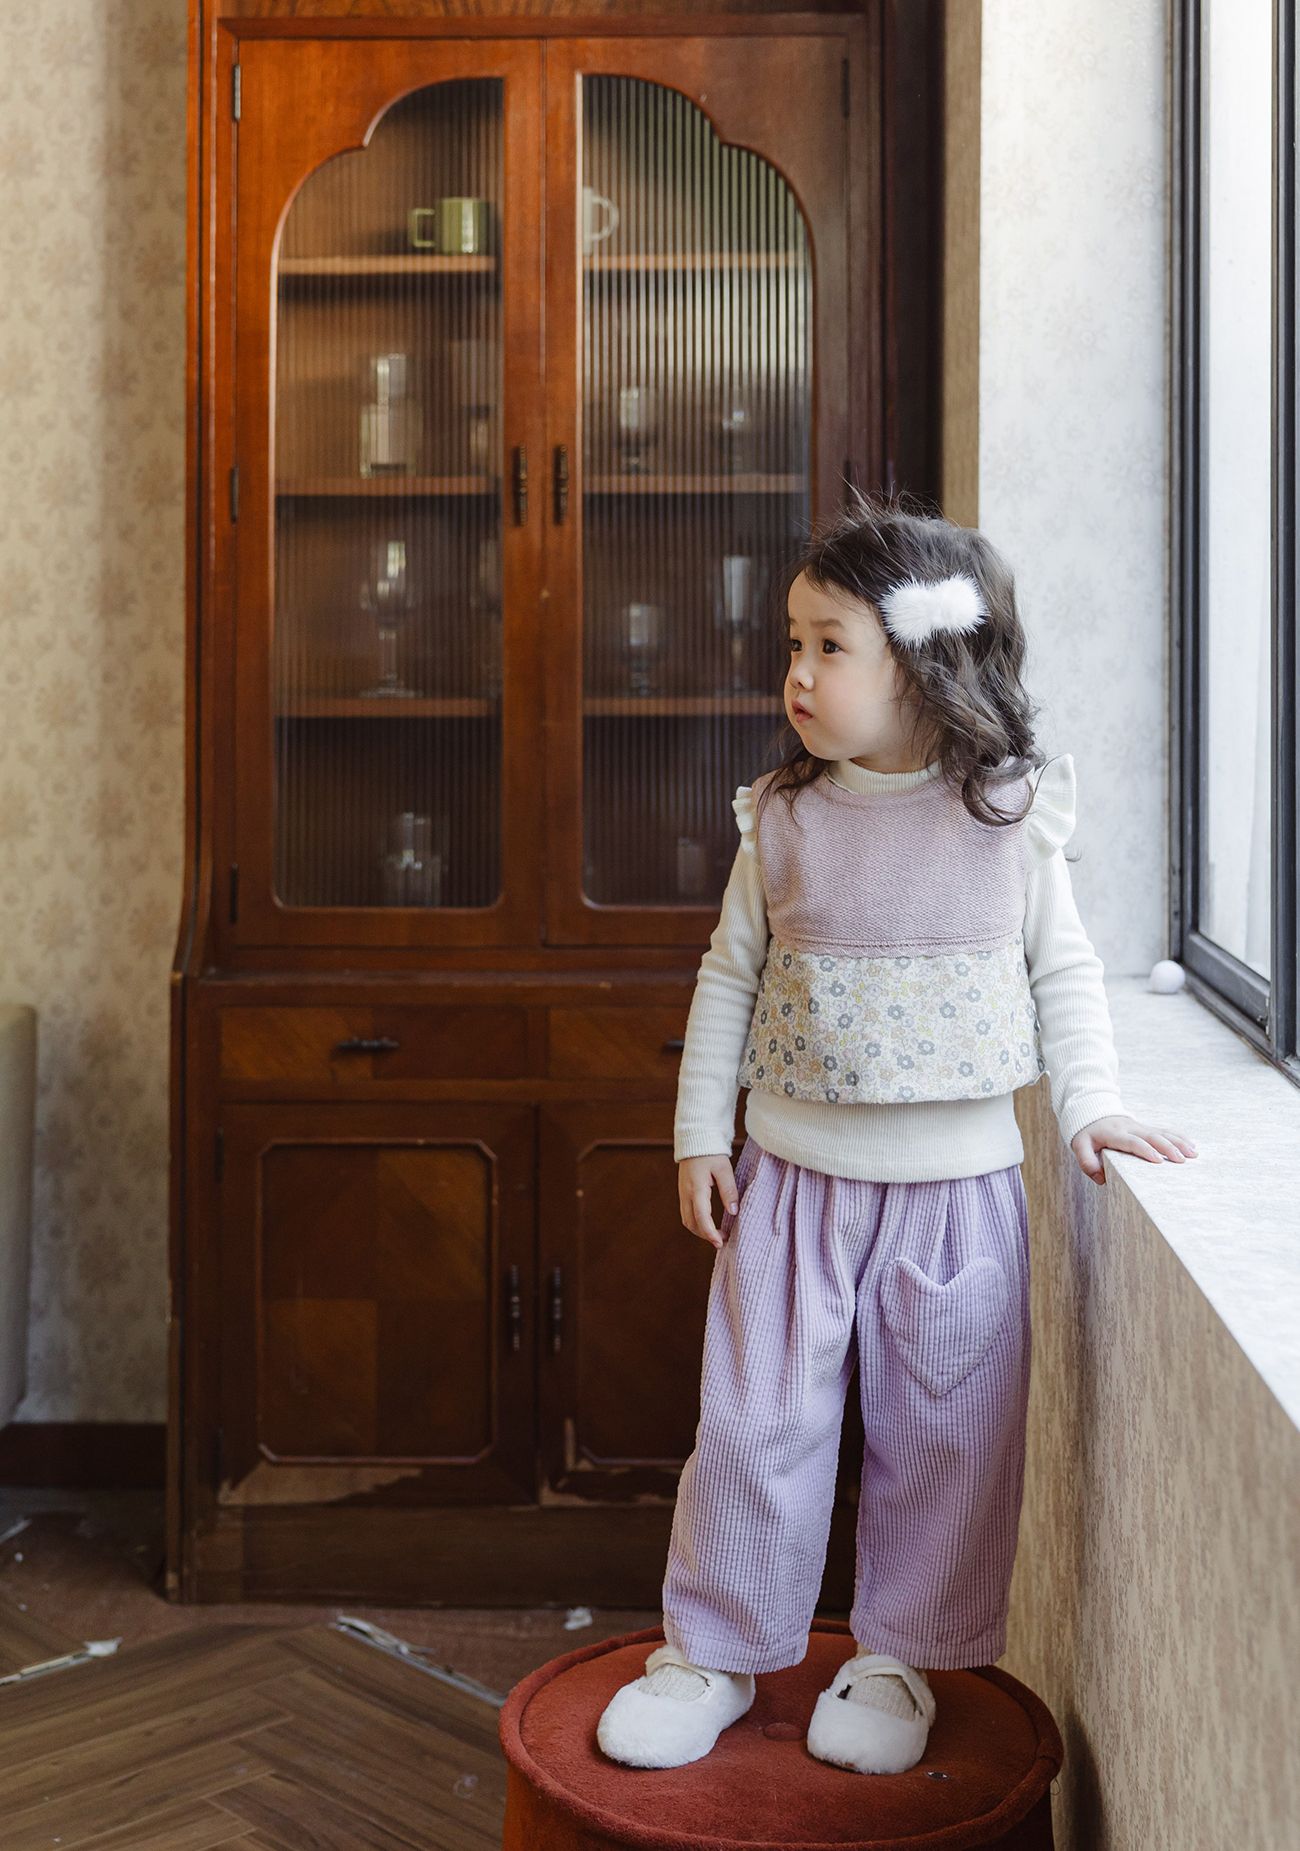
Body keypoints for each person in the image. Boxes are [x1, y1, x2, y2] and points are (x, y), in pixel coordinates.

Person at [596, 489, 1198, 1777]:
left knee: (944, 1435)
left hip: (959, 1197)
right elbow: (727, 978)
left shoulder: (1008, 815)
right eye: (793, 645)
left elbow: (1063, 974)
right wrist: (700, 1136)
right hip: (789, 1190)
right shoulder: (784, 818)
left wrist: (1091, 1109)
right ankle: (712, 1650)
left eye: (831, 646)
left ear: (924, 662)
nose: (798, 674)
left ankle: (896, 1658)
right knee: (755, 1429)